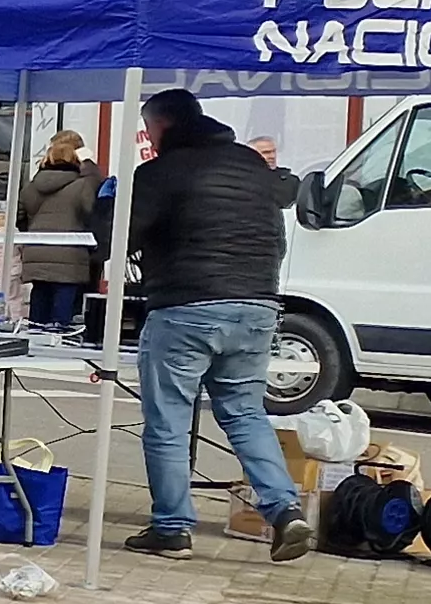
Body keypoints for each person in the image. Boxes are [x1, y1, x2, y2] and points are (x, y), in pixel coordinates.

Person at [121, 88, 310, 561]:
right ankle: (285, 510)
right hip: (257, 305)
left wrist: (106, 204)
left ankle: (172, 528)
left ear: (162, 125)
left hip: (186, 307)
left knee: (168, 421)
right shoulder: (251, 165)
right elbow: (277, 234)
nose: (149, 137)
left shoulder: (160, 171)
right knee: (245, 414)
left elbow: (117, 237)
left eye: (149, 129)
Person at [17, 130, 101, 332]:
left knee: (39, 303)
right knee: (63, 315)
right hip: (70, 254)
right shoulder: (83, 184)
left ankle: (35, 341)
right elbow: (93, 212)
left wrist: (34, 232)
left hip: (37, 249)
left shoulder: (32, 185)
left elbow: (19, 216)